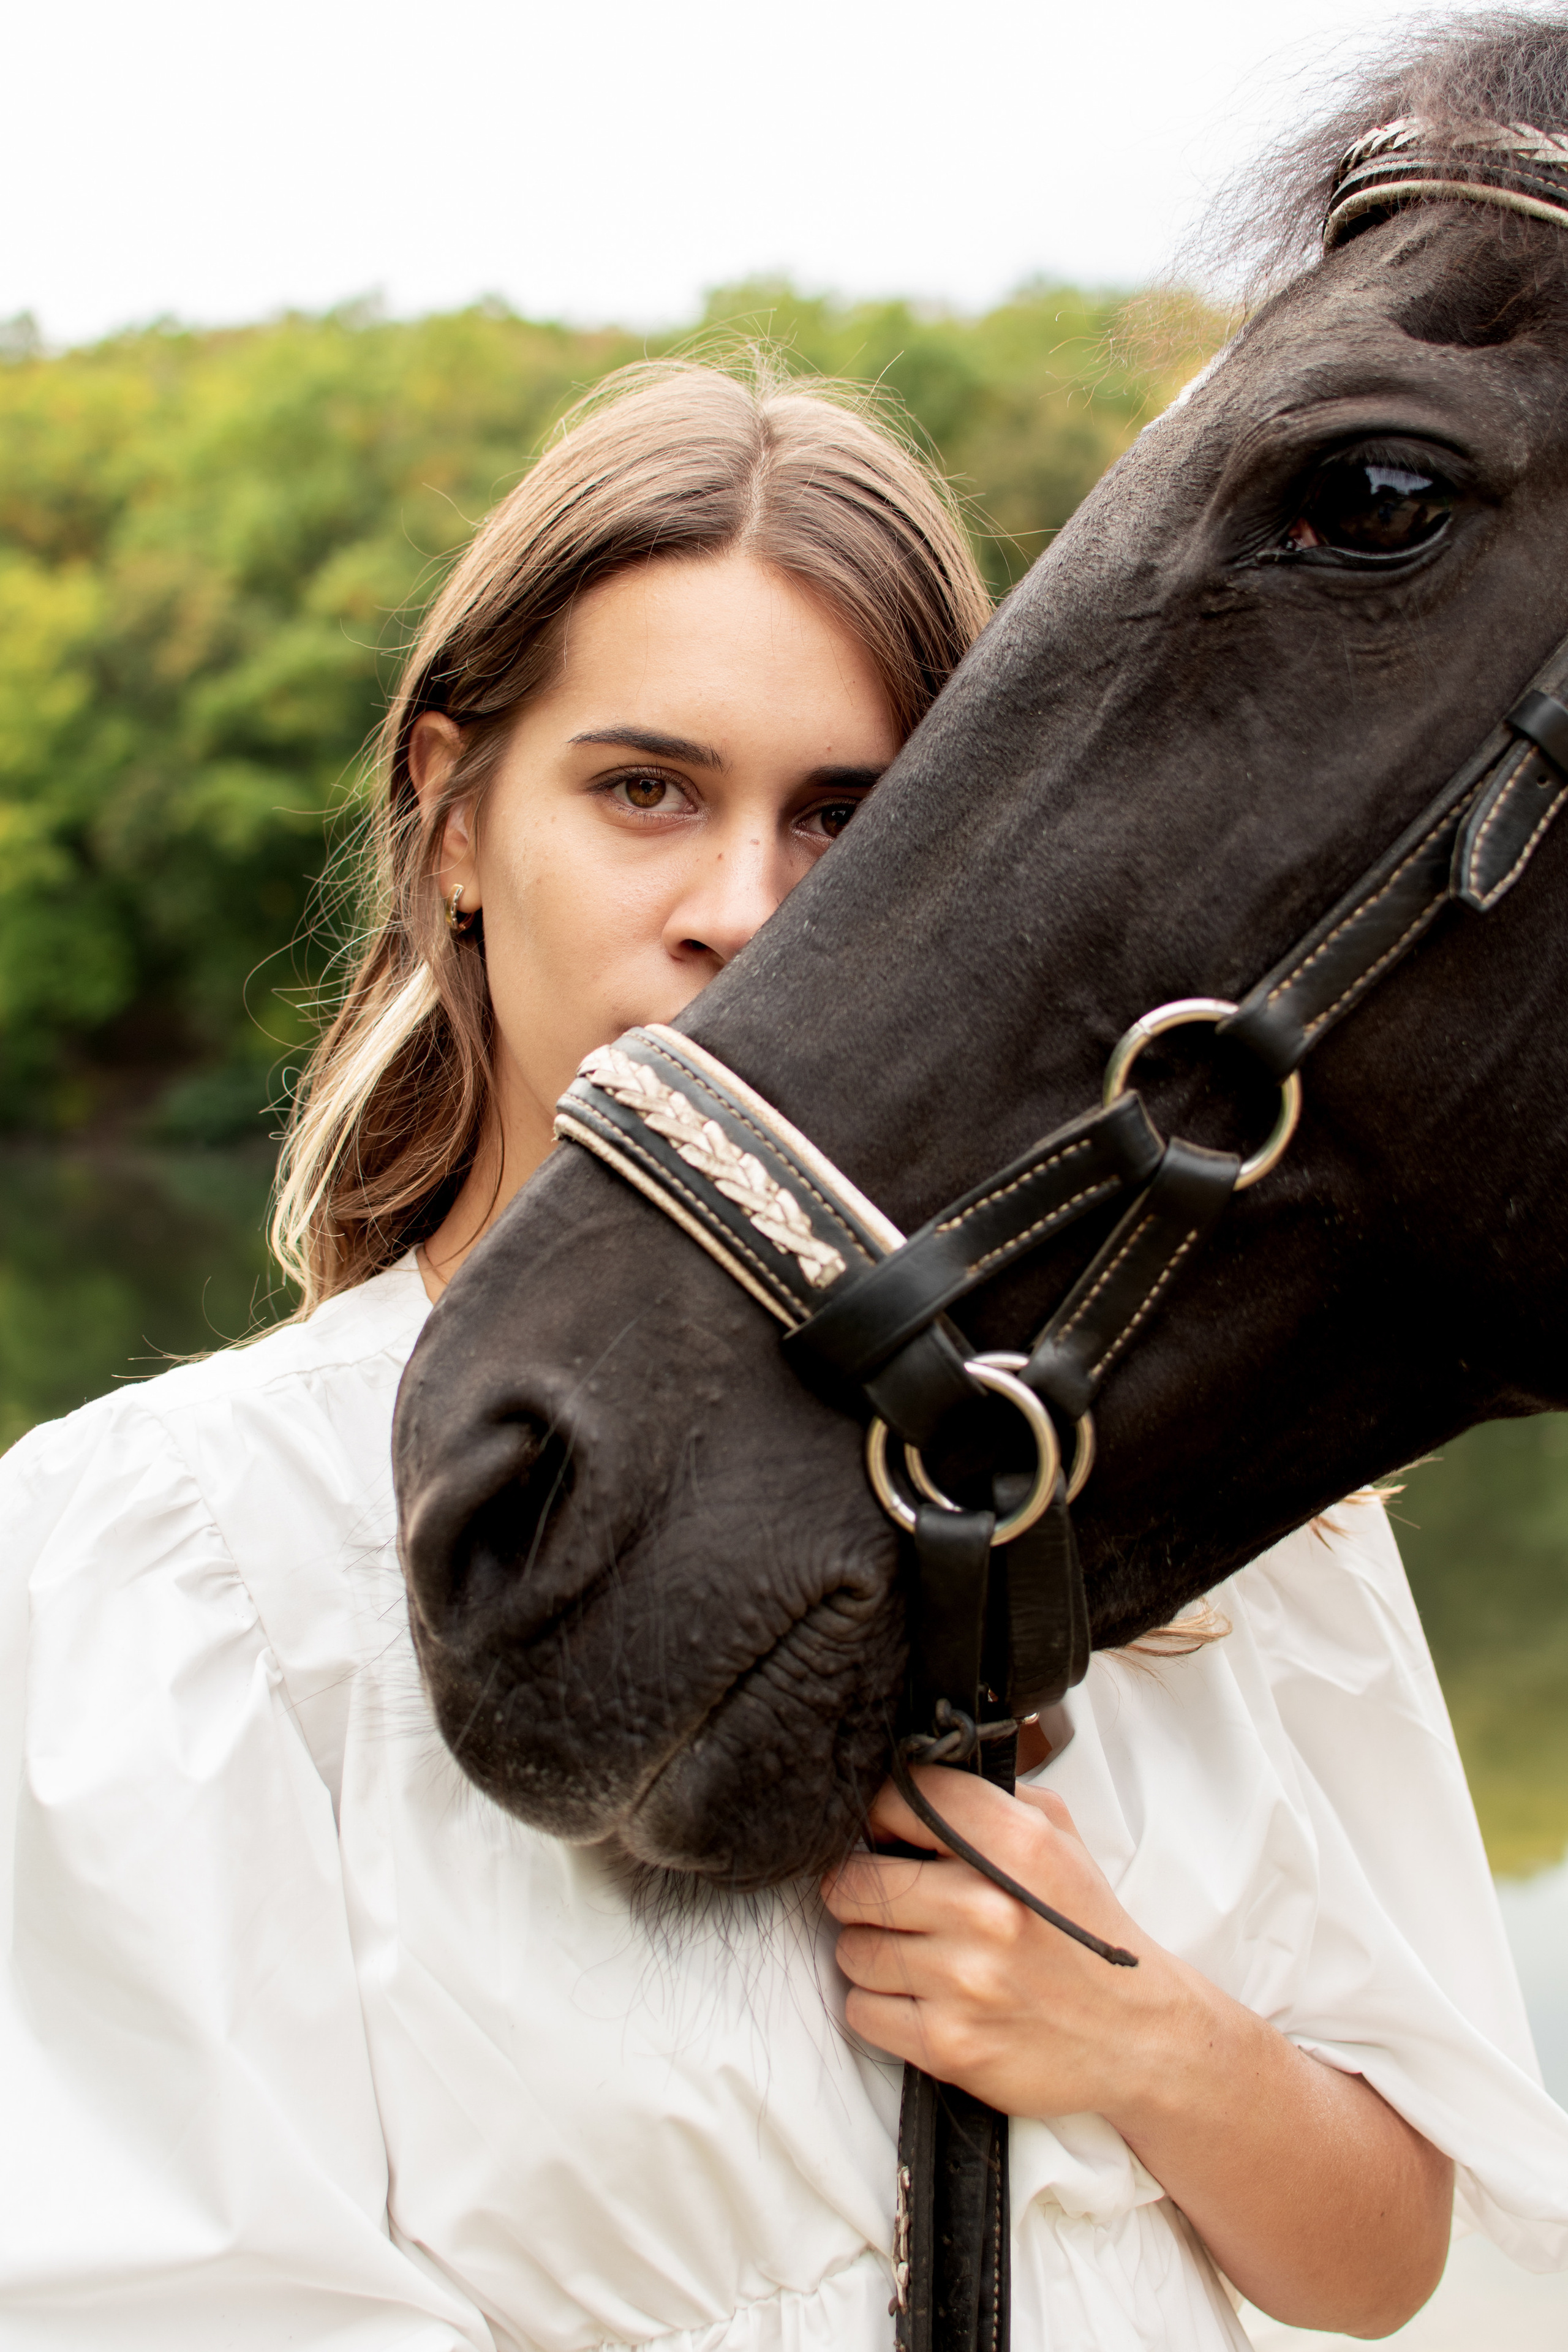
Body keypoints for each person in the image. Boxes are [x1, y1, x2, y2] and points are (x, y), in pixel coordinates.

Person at [2, 358, 1564, 2352]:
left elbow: (1400, 2265)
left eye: (852, 816)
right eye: (645, 790)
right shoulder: (185, 1560)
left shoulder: (1222, 1524)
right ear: (454, 818)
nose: (743, 910)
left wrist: (1150, 2045)